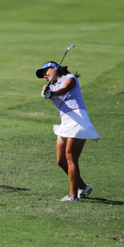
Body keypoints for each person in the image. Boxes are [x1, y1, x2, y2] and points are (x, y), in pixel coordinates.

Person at [36, 61, 100, 202]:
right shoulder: (49, 87)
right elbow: (48, 94)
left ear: (55, 68)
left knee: (71, 158)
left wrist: (51, 93)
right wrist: (46, 92)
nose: (44, 75)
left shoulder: (70, 78)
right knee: (61, 161)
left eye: (46, 71)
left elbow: (64, 90)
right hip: (66, 122)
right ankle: (83, 187)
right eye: (42, 75)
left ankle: (73, 196)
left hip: (78, 120)